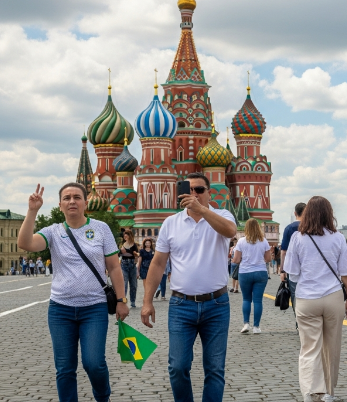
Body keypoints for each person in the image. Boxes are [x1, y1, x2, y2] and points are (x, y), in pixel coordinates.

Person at [17, 183, 129, 402]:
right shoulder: (52, 231)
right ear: (60, 205)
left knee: (93, 363)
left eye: (77, 197)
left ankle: (102, 396)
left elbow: (115, 267)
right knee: (65, 368)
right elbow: (25, 243)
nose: (72, 201)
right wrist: (32, 211)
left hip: (94, 308)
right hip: (61, 310)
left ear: (85, 203)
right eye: (66, 198)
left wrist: (121, 300)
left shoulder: (101, 228)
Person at [140, 172, 237, 402]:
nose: (193, 194)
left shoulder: (222, 215)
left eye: (199, 190)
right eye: (188, 190)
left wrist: (202, 210)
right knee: (177, 366)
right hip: (181, 304)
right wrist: (147, 301)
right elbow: (158, 263)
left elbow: (231, 232)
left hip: (216, 304)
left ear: (209, 193)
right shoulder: (171, 223)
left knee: (214, 369)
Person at [282, 196, 347, 402]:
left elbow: (292, 273)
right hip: (333, 297)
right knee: (331, 347)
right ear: (328, 214)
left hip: (306, 298)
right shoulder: (338, 237)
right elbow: (346, 273)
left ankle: (310, 392)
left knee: (309, 348)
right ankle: (328, 393)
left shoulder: (298, 238)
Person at [234, 218, 271, 334]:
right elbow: (269, 258)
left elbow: (236, 259)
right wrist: (259, 261)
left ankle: (246, 324)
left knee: (246, 299)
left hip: (245, 273)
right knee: (258, 300)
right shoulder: (264, 241)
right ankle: (256, 327)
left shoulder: (241, 241)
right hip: (260, 272)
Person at [280, 202, 307, 319]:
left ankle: (299, 321)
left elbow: (284, 252)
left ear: (295, 213)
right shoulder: (311, 226)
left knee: (295, 295)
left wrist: (282, 270)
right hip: (308, 268)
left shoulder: (289, 228)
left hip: (292, 269)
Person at [119, 231, 139, 308]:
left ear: (130, 236)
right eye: (124, 235)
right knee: (124, 284)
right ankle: (124, 301)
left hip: (132, 265)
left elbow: (136, 254)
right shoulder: (122, 244)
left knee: (133, 284)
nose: (125, 236)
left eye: (126, 235)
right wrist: (126, 252)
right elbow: (119, 253)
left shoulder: (134, 245)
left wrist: (127, 252)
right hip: (124, 264)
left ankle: (133, 301)